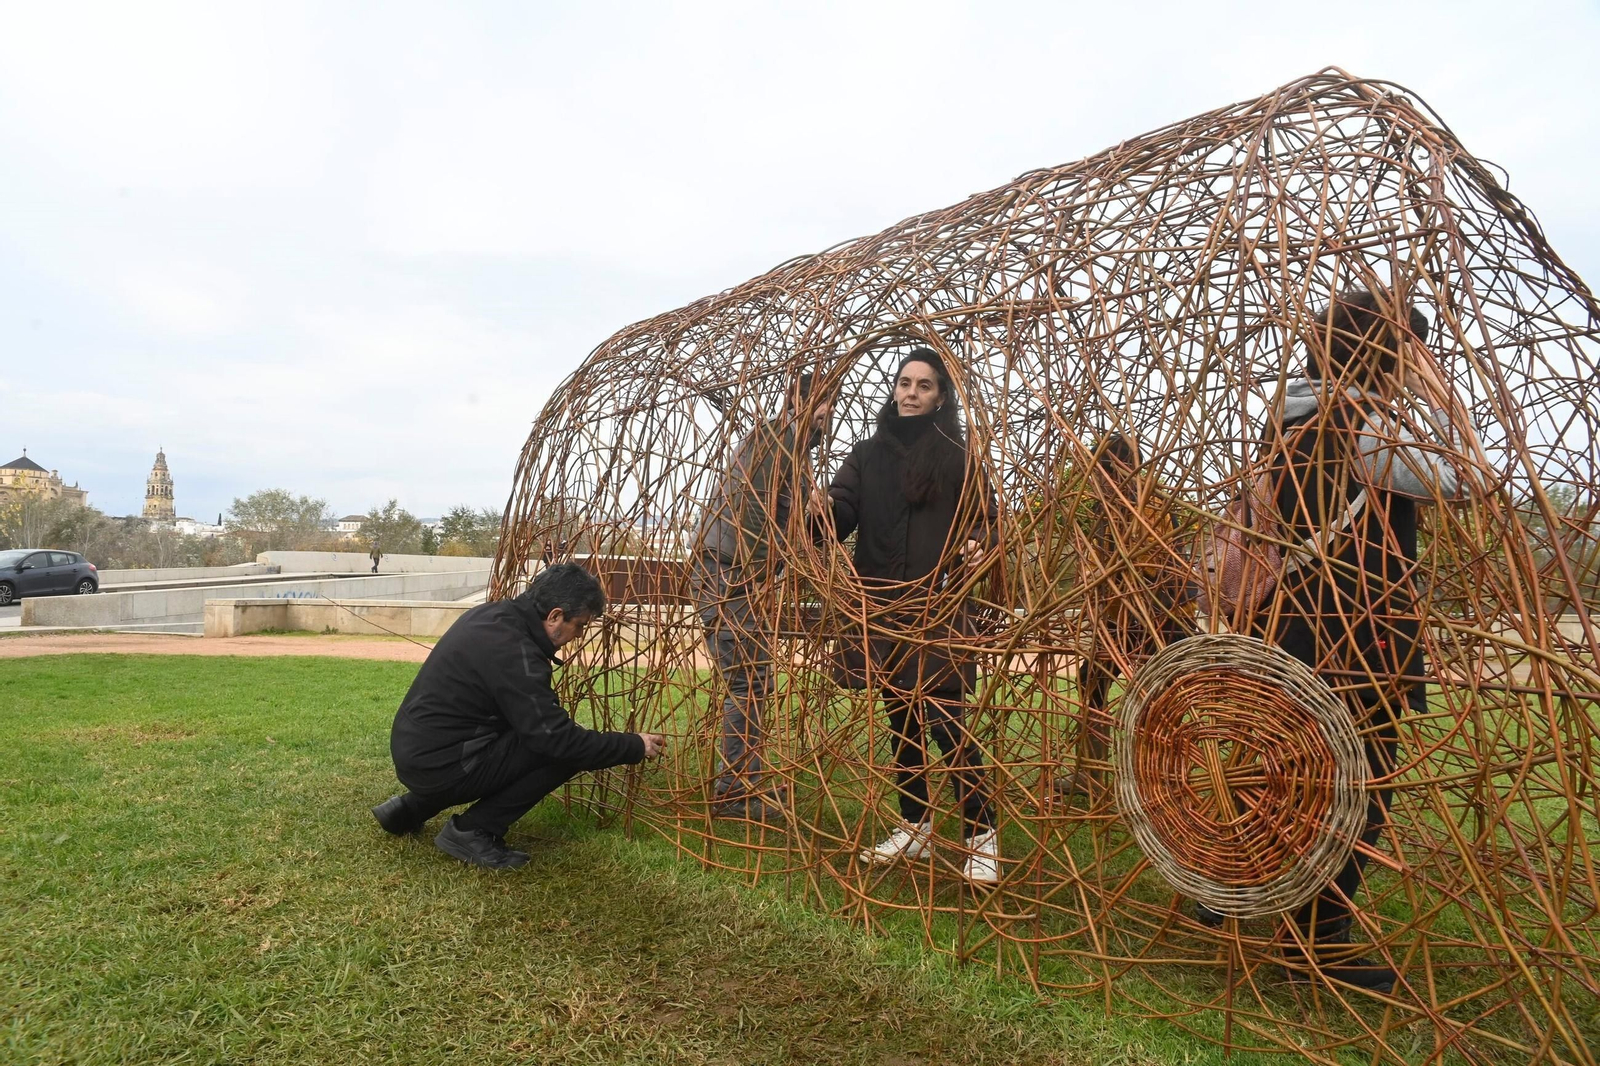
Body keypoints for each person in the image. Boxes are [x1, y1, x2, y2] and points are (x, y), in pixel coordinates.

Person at [1261, 287, 1480, 991]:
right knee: (1361, 785)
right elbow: (1468, 480)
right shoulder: (1361, 425)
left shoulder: (1288, 414)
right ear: (1386, 354)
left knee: (1294, 775)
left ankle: (1225, 887)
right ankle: (1314, 943)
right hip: (1358, 631)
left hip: (1296, 620)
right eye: (1409, 350)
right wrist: (1440, 395)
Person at [811, 347, 1001, 884]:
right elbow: (841, 513)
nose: (911, 393)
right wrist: (824, 510)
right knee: (901, 719)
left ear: (942, 397)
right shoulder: (867, 455)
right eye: (904, 382)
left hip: (935, 608)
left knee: (945, 719)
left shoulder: (959, 457)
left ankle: (981, 831)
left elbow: (987, 519)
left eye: (924, 385)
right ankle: (914, 824)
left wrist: (976, 543)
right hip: (880, 607)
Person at [373, 563, 668, 869]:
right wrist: (635, 745)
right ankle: (473, 831)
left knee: (529, 733)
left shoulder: (491, 616)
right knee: (561, 751)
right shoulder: (516, 652)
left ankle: (408, 809)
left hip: (418, 750)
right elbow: (557, 740)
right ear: (555, 616)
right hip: (440, 764)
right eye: (579, 625)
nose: (579, 635)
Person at [692, 373, 833, 824]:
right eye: (821, 402)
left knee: (755, 681)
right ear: (798, 403)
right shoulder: (779, 440)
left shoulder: (789, 450)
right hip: (725, 573)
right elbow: (778, 529)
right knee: (747, 683)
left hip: (735, 574)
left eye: (831, 402)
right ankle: (733, 795)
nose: (828, 413)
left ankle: (742, 782)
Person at [1057, 432, 1194, 799]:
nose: (1097, 478)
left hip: (1160, 613)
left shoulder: (1143, 502)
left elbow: (1150, 568)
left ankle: (1163, 778)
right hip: (1125, 616)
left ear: (1119, 468)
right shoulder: (1113, 503)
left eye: (1103, 469)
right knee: (1093, 681)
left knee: (1160, 696)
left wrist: (1104, 576)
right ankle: (1091, 773)